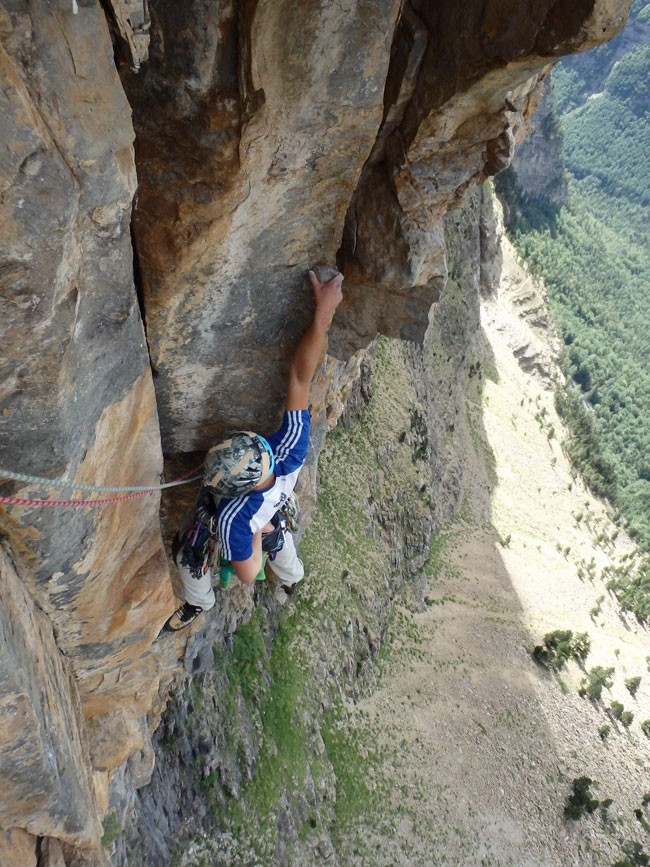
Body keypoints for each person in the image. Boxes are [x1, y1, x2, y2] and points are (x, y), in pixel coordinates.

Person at [165, 267, 344, 631]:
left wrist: (258, 533)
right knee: (283, 543)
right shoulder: (290, 446)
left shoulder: (233, 518)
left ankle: (198, 601)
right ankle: (291, 578)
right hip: (273, 511)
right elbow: (299, 376)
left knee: (189, 553)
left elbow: (249, 574)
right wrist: (323, 313)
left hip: (256, 526)